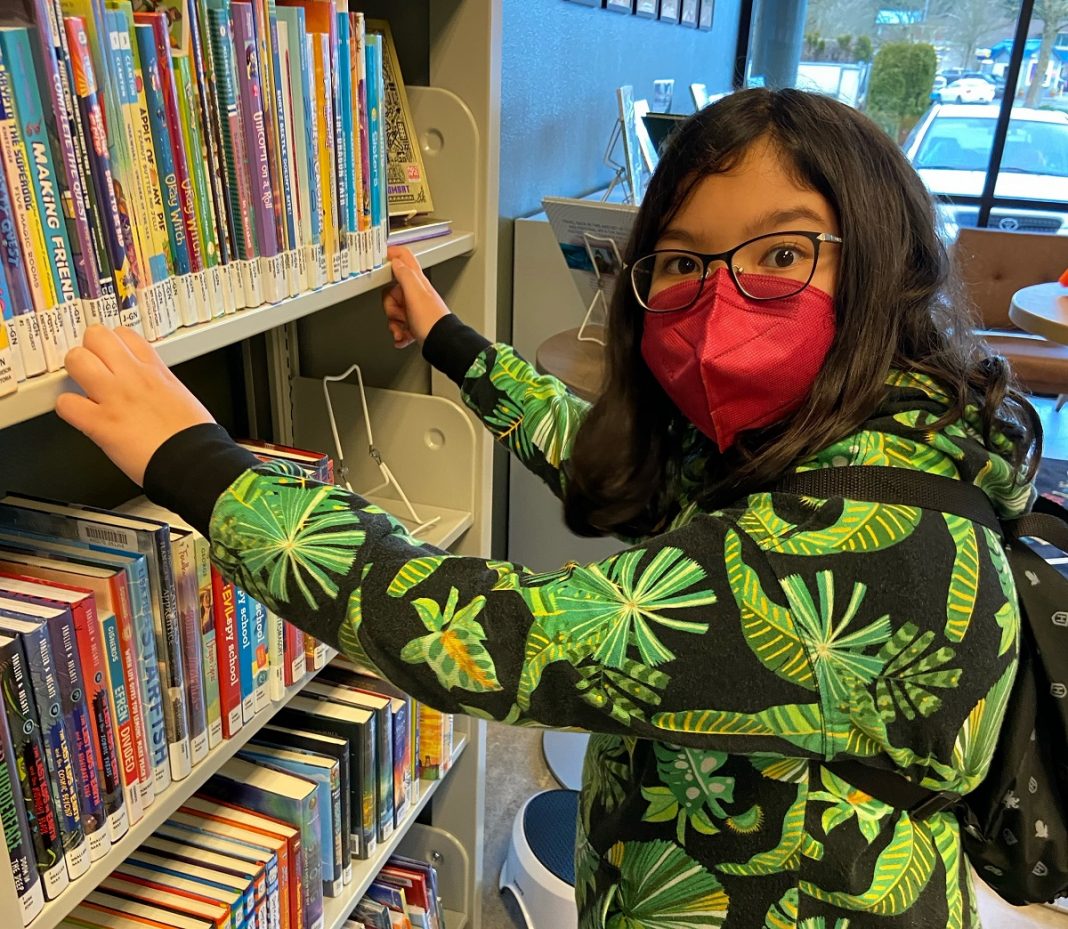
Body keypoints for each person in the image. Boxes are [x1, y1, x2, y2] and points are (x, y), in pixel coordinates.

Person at [55, 88, 1039, 928]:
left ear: (883, 259)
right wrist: (452, 346)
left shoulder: (866, 547)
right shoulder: (831, 443)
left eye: (781, 253)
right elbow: (601, 453)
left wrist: (202, 465)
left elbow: (492, 637)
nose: (720, 298)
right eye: (684, 263)